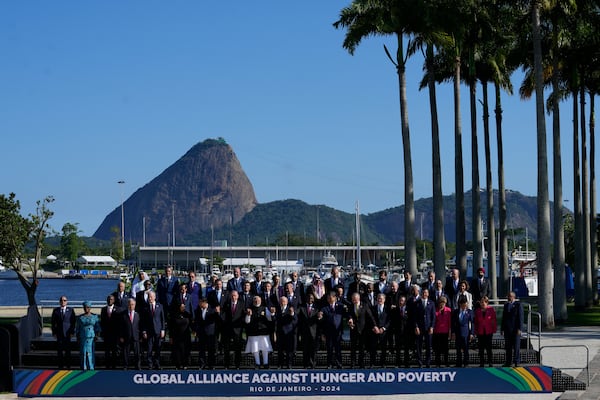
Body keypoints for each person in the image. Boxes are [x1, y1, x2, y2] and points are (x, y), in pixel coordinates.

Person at [347, 292, 375, 368]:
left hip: (362, 330)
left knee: (361, 348)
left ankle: (361, 363)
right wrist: (350, 320)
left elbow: (370, 316)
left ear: (358, 298)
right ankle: (353, 363)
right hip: (353, 330)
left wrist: (374, 326)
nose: (354, 301)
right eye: (352, 300)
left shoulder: (364, 305)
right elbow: (349, 315)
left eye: (355, 300)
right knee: (353, 348)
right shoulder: (350, 306)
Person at [245, 296, 273, 369]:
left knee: (265, 348)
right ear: (253, 301)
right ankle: (257, 363)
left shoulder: (265, 308)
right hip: (253, 332)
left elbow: (270, 319)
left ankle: (266, 363)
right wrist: (248, 315)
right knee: (255, 349)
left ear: (261, 300)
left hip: (263, 331)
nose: (257, 301)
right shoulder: (249, 309)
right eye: (255, 300)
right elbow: (247, 321)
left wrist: (272, 313)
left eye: (258, 300)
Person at [318, 292, 345, 369]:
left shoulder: (340, 306)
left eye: (330, 297)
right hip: (328, 332)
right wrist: (320, 317)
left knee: (338, 349)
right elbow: (321, 321)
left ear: (335, 298)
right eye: (328, 298)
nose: (329, 299)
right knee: (329, 349)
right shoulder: (324, 308)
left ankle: (339, 364)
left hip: (338, 332)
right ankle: (329, 364)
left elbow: (346, 314)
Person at [411, 287, 435, 368]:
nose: (424, 294)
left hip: (428, 328)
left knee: (428, 346)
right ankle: (420, 362)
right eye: (423, 292)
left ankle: (428, 362)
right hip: (419, 328)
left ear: (428, 294)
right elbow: (414, 317)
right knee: (419, 346)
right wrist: (416, 327)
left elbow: (433, 316)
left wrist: (432, 327)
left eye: (426, 292)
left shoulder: (431, 303)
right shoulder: (416, 303)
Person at [51, 295, 76, 369]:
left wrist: (72, 332)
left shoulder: (71, 310)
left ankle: (68, 366)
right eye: (61, 300)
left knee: (68, 351)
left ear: (67, 302)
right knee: (60, 351)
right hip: (59, 333)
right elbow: (53, 322)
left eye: (64, 300)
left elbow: (73, 322)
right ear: (59, 302)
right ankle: (60, 367)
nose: (63, 302)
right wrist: (54, 333)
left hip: (68, 333)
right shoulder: (56, 310)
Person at [221, 290, 245, 369]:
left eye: (235, 295)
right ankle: (226, 365)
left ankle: (237, 365)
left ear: (238, 296)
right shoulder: (227, 304)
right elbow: (223, 314)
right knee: (226, 348)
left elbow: (243, 315)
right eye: (232, 296)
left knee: (237, 348)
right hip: (227, 329)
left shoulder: (241, 304)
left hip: (237, 329)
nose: (233, 297)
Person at [142, 291, 165, 369]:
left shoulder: (160, 306)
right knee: (149, 349)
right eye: (149, 297)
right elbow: (144, 320)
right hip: (149, 331)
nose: (150, 298)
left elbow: (162, 319)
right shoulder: (145, 307)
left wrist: (163, 329)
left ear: (154, 297)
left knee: (158, 348)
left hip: (158, 331)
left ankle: (157, 364)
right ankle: (150, 365)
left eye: (151, 297)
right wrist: (144, 331)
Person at [75, 301, 101, 370]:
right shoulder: (80, 318)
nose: (86, 308)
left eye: (88, 307)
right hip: (83, 337)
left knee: (90, 353)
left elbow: (97, 327)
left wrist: (97, 335)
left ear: (90, 308)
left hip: (91, 338)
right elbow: (77, 328)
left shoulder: (94, 317)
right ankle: (83, 367)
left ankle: (91, 367)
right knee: (83, 353)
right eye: (85, 307)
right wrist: (77, 336)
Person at [274, 296, 298, 369]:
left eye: (284, 301)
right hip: (280, 333)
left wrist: (292, 314)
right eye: (281, 301)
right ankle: (280, 365)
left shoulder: (291, 309)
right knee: (280, 351)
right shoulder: (277, 309)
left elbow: (295, 320)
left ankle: (289, 365)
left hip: (289, 333)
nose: (282, 302)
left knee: (289, 351)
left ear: (287, 302)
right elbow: (274, 321)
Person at [297, 293, 320, 369]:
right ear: (306, 299)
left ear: (313, 299)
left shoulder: (317, 308)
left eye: (311, 298)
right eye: (309, 298)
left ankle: (313, 365)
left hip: (314, 333)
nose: (310, 300)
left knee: (313, 351)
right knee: (305, 350)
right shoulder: (301, 307)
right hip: (304, 333)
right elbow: (298, 319)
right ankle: (305, 365)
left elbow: (320, 321)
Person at [195, 298, 219, 369]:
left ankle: (211, 365)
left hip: (210, 333)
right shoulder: (198, 310)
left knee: (211, 350)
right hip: (201, 333)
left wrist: (218, 313)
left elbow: (216, 321)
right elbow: (197, 321)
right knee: (201, 350)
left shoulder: (212, 310)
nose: (199, 304)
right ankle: (202, 364)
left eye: (200, 303)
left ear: (204, 303)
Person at [501, 291, 523, 367]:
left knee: (516, 346)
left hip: (515, 329)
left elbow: (520, 317)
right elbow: (504, 318)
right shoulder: (506, 305)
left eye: (509, 296)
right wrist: (502, 329)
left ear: (513, 297)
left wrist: (520, 328)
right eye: (508, 296)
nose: (508, 297)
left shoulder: (518, 305)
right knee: (508, 347)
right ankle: (508, 362)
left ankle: (517, 362)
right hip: (507, 329)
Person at [451, 296, 474, 367]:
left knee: (466, 349)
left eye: (465, 304)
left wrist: (471, 333)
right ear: (460, 304)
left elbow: (472, 323)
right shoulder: (455, 312)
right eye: (463, 304)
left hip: (466, 333)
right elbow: (453, 323)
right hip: (458, 333)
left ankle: (466, 363)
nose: (464, 306)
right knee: (458, 349)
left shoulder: (469, 312)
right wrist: (453, 332)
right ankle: (459, 363)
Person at [474, 296, 497, 367]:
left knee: (488, 348)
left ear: (487, 303)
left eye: (483, 302)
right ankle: (482, 363)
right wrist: (475, 331)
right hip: (480, 332)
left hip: (488, 331)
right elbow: (476, 322)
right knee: (481, 349)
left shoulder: (491, 309)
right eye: (481, 302)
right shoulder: (477, 311)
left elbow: (494, 320)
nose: (482, 304)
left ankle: (490, 362)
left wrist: (494, 329)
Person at [120, 298, 142, 370]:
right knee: (126, 353)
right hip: (126, 337)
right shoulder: (123, 314)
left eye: (132, 304)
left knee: (137, 353)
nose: (131, 306)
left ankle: (137, 366)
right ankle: (126, 366)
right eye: (129, 304)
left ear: (135, 305)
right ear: (127, 305)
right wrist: (121, 336)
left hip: (136, 337)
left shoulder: (138, 314)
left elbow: (140, 326)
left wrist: (140, 336)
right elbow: (121, 326)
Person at [169, 303, 192, 370]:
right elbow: (171, 327)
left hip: (186, 336)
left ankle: (185, 364)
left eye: (184, 306)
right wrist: (171, 337)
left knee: (185, 351)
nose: (183, 308)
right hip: (176, 336)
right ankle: (178, 365)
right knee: (177, 351)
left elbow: (191, 324)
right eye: (181, 307)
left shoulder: (187, 314)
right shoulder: (174, 315)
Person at [370, 293, 391, 367]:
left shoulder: (388, 309)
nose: (379, 300)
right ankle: (372, 363)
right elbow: (370, 319)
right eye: (378, 298)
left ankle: (382, 363)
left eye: (381, 298)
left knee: (383, 348)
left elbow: (389, 320)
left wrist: (384, 328)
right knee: (373, 348)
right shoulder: (373, 308)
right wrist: (374, 327)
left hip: (383, 332)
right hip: (374, 331)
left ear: (384, 300)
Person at [100, 295, 120, 369]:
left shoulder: (118, 309)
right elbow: (102, 322)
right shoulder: (103, 309)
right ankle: (107, 367)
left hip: (115, 335)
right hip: (106, 334)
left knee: (114, 352)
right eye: (108, 299)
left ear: (114, 300)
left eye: (111, 299)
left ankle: (114, 367)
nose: (110, 301)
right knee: (107, 352)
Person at [392, 295, 411, 368]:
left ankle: (407, 363)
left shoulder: (409, 309)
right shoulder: (395, 310)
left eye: (402, 300)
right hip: (398, 332)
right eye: (400, 300)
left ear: (405, 301)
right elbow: (393, 321)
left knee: (406, 349)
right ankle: (398, 363)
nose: (401, 302)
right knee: (398, 348)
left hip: (406, 332)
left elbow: (410, 320)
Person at [432, 296, 452, 367]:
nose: (442, 304)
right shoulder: (435, 310)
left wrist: (450, 332)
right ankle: (438, 363)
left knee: (445, 348)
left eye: (443, 303)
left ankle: (446, 362)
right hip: (437, 332)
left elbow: (450, 322)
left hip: (445, 332)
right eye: (440, 303)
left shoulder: (449, 310)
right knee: (437, 349)